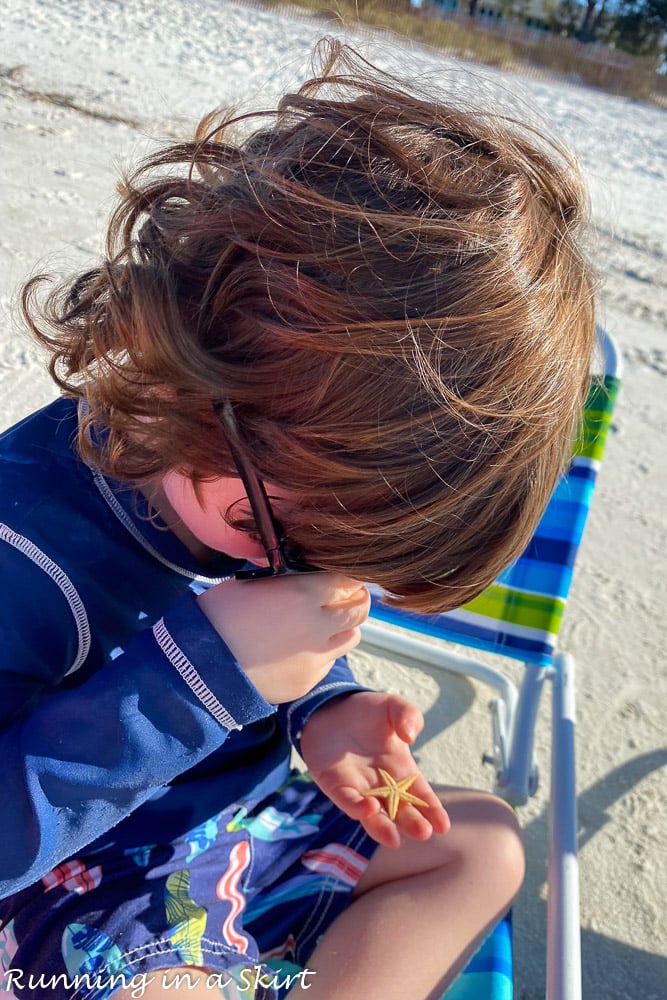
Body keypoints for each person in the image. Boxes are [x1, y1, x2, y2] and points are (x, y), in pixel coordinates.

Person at [0, 39, 596, 1000]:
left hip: (203, 828)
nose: (315, 572)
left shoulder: (243, 488)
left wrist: (326, 705)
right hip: (58, 886)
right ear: (196, 379)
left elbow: (262, 618)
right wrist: (194, 685)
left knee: (480, 844)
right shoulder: (26, 557)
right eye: (303, 545)